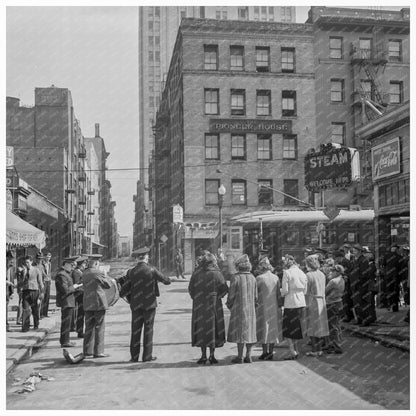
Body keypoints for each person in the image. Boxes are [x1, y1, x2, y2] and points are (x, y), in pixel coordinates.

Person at [121, 247, 171, 362]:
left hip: (136, 306)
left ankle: (134, 357)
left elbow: (122, 292)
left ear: (137, 258)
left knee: (135, 330)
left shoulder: (131, 272)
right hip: (150, 305)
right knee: (148, 330)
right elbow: (167, 281)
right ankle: (147, 356)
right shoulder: (152, 270)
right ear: (146, 257)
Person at [188, 252, 228, 364]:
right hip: (214, 304)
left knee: (201, 328)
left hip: (199, 305)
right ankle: (212, 355)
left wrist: (196, 298)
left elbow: (191, 289)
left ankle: (203, 355)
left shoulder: (196, 274)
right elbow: (225, 288)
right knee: (213, 327)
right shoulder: (217, 274)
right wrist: (219, 296)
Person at [226, 254, 257, 364]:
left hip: (238, 308)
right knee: (250, 332)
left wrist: (229, 305)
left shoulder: (235, 277)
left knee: (240, 333)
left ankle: (240, 356)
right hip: (251, 309)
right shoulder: (253, 278)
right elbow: (256, 296)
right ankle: (248, 355)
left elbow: (231, 295)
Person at [83, 254, 113, 358]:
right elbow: (108, 285)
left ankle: (87, 351)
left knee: (88, 327)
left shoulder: (84, 272)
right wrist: (105, 275)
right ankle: (98, 352)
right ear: (96, 263)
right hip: (98, 302)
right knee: (99, 327)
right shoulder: (98, 272)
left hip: (87, 303)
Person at [255, 256, 283, 361]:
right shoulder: (276, 278)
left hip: (262, 306)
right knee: (272, 328)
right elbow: (278, 294)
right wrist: (280, 305)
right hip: (274, 305)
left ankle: (264, 352)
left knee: (263, 327)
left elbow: (255, 294)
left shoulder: (259, 278)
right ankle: (271, 352)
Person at [280, 255, 308, 360]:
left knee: (288, 329)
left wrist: (281, 293)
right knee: (297, 328)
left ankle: (292, 351)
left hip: (291, 302)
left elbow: (285, 290)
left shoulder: (287, 273)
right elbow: (305, 290)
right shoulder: (302, 273)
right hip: (301, 301)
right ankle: (296, 350)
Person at [304, 255, 329, 357]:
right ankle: (319, 349)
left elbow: (306, 291)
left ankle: (315, 350)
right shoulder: (322, 274)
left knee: (312, 327)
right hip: (322, 301)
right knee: (320, 327)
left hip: (313, 301)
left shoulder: (309, 275)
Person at [55, 256, 82, 347]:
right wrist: (74, 287)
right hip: (66, 301)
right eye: (71, 265)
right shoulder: (62, 275)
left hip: (69, 301)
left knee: (67, 322)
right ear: (66, 264)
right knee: (66, 323)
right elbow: (65, 290)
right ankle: (65, 342)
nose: (73, 266)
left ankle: (65, 341)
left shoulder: (66, 274)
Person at [325, 264, 346, 354]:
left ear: (337, 272)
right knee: (337, 325)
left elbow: (325, 291)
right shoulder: (342, 280)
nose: (331, 273)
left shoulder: (333, 281)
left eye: (332, 271)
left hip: (331, 303)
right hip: (339, 302)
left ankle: (336, 346)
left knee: (332, 326)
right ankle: (336, 344)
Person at [21, 255, 44, 332]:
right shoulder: (23, 271)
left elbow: (40, 282)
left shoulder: (36, 270)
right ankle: (25, 327)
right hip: (25, 291)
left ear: (31, 262)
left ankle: (36, 324)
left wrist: (42, 293)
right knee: (25, 309)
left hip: (34, 291)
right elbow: (21, 281)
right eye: (25, 262)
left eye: (28, 262)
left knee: (35, 309)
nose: (26, 264)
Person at [72, 256, 88, 338]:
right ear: (81, 265)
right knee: (81, 314)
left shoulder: (80, 272)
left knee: (82, 313)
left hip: (82, 294)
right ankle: (80, 331)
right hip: (79, 294)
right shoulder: (76, 272)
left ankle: (80, 330)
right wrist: (84, 282)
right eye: (84, 264)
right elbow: (76, 284)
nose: (85, 266)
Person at [383, 244, 402, 312]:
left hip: (388, 276)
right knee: (395, 291)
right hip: (396, 277)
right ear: (396, 249)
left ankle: (388, 304)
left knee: (388, 291)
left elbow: (383, 265)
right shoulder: (399, 257)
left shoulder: (386, 256)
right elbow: (401, 268)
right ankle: (395, 307)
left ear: (391, 248)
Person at [40, 252, 52, 318]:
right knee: (43, 297)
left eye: (49, 257)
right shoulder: (42, 264)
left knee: (47, 297)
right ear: (45, 257)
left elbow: (49, 272)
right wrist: (45, 276)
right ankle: (41, 313)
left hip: (48, 281)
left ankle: (45, 313)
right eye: (47, 257)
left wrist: (49, 279)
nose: (48, 258)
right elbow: (42, 272)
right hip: (44, 281)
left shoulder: (49, 264)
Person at [6, 256, 15, 332]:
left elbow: (12, 281)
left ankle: (6, 325)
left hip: (7, 292)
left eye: (13, 260)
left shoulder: (11, 269)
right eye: (10, 260)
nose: (12, 262)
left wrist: (12, 292)